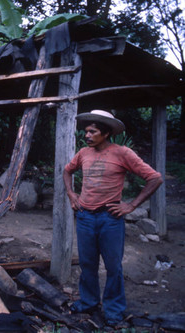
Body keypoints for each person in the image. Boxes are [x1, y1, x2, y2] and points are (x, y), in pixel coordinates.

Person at [63, 110, 163, 326]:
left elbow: (155, 178)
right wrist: (72, 194)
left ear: (106, 133)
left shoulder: (123, 153)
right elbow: (67, 171)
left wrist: (132, 205)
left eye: (92, 132)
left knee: (113, 266)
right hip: (85, 217)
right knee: (88, 263)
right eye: (86, 131)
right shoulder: (83, 153)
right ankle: (89, 302)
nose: (87, 135)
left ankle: (114, 310)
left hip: (110, 218)